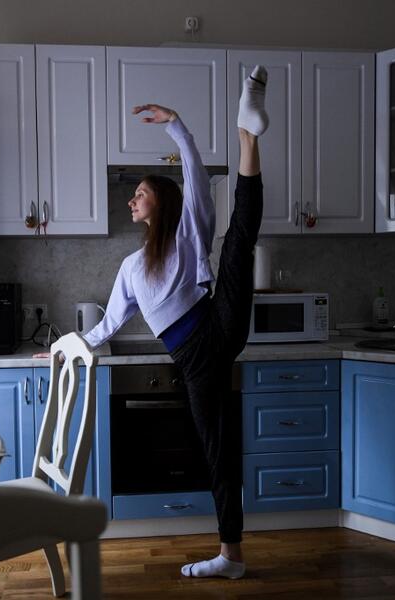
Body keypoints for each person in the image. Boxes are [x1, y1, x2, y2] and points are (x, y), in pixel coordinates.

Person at [34, 66, 269, 579]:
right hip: (193, 361)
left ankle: (246, 130)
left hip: (217, 324)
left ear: (159, 201)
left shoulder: (188, 234)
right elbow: (106, 328)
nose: (131, 199)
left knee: (238, 241)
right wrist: (62, 348)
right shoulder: (130, 269)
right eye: (132, 194)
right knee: (218, 451)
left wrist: (177, 124)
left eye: (139, 193)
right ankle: (233, 556)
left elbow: (193, 174)